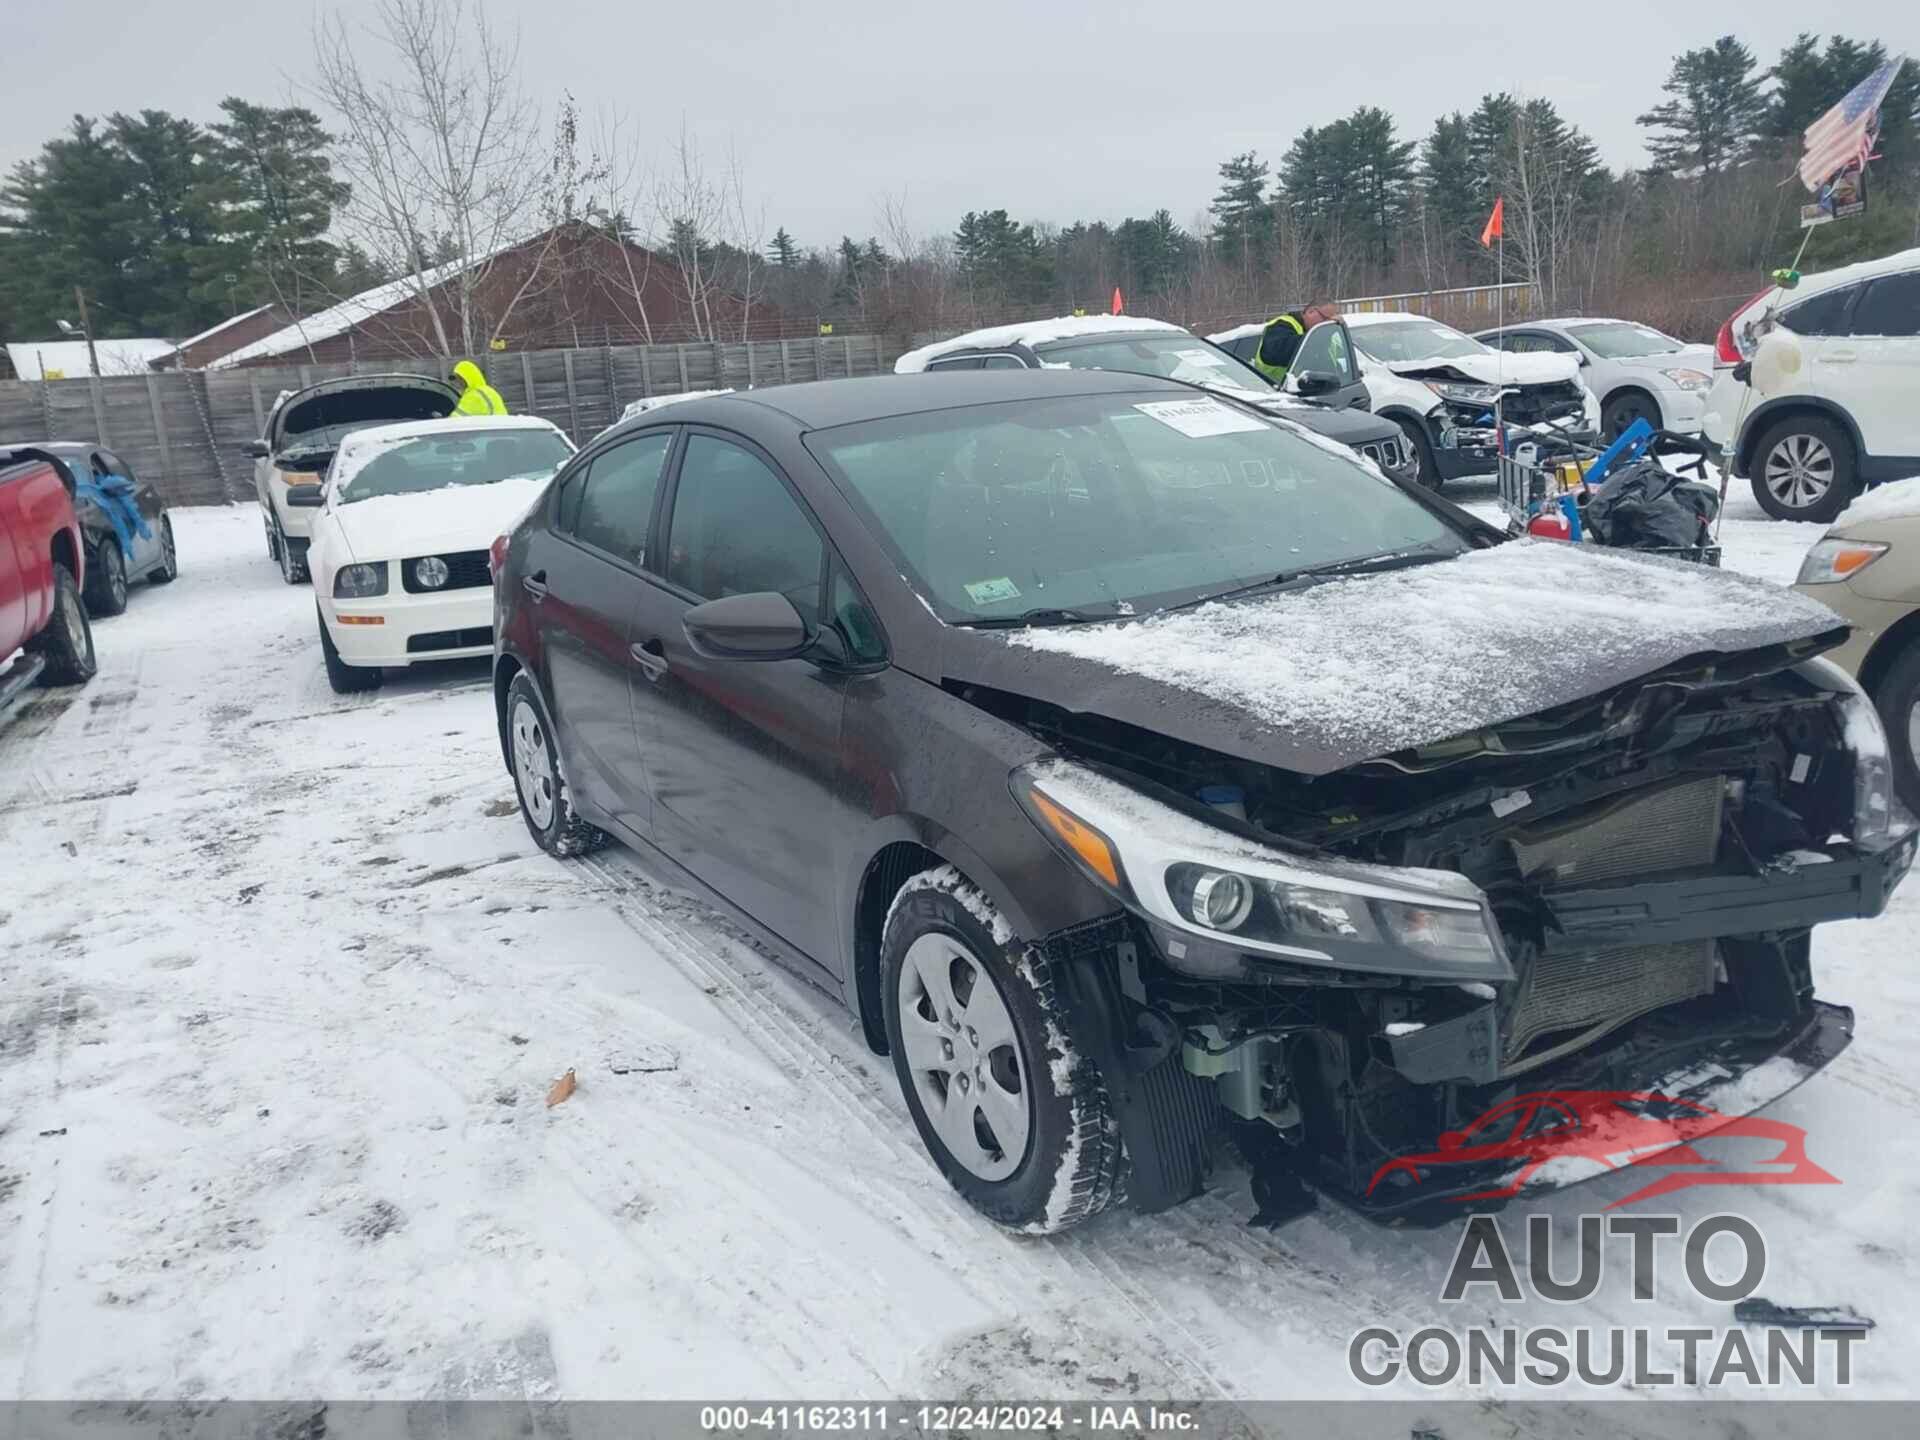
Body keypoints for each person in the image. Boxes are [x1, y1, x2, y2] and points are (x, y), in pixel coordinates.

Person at [1251, 300, 1339, 386]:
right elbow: (1277, 351)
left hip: (1311, 392)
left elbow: (1330, 366)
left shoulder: (1323, 335)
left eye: (1331, 321)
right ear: (1311, 311)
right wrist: (1318, 337)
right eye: (1325, 318)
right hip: (1273, 392)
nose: (1327, 323)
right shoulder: (1281, 325)